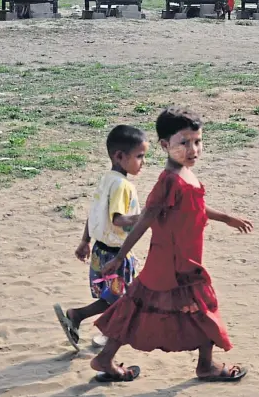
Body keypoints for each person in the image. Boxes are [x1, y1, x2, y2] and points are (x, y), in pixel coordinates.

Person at [89, 107, 254, 383]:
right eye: (184, 143)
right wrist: (121, 256)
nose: (193, 149)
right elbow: (144, 221)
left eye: (197, 141)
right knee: (204, 307)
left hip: (181, 259)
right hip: (175, 263)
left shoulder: (186, 175)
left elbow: (196, 206)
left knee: (137, 307)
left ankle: (105, 358)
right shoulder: (168, 181)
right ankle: (206, 366)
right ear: (165, 145)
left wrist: (226, 218)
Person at [53, 125, 148, 351]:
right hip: (116, 254)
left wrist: (85, 240)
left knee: (115, 295)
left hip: (99, 249)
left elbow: (95, 213)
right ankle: (79, 316)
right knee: (117, 297)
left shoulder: (106, 179)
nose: (143, 162)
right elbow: (117, 219)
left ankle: (107, 331)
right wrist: (145, 216)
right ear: (119, 156)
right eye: (140, 156)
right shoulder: (122, 185)